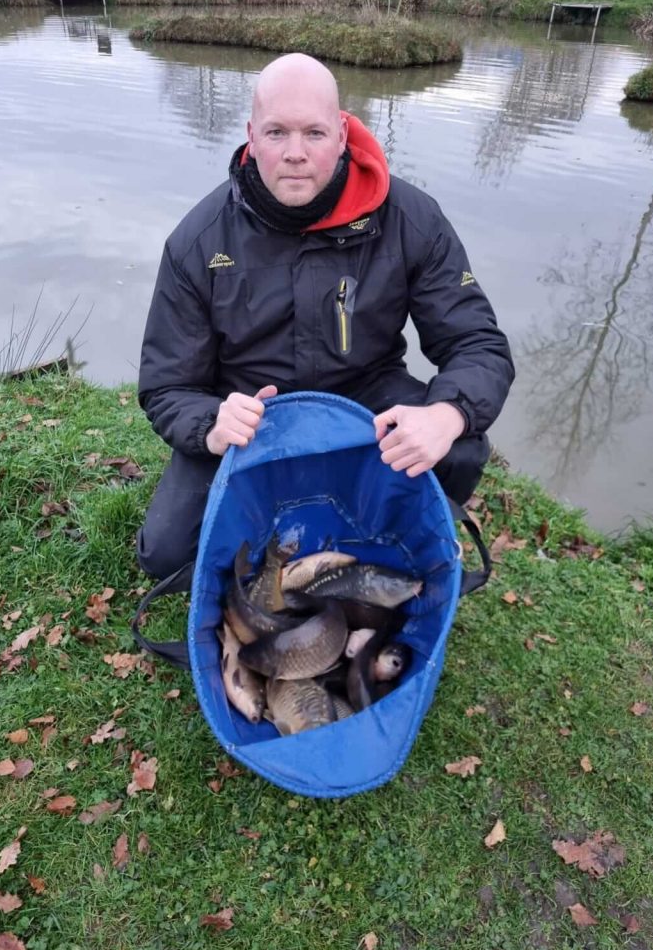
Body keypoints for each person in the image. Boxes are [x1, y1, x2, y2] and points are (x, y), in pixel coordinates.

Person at [136, 52, 514, 586]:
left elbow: (478, 344)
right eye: (276, 133)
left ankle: (390, 520)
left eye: (313, 133)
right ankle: (291, 511)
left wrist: (446, 414)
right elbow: (166, 385)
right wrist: (212, 423)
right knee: (168, 556)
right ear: (250, 135)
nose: (295, 154)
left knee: (462, 443)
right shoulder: (198, 241)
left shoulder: (412, 219)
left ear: (341, 133)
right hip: (251, 416)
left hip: (363, 401)